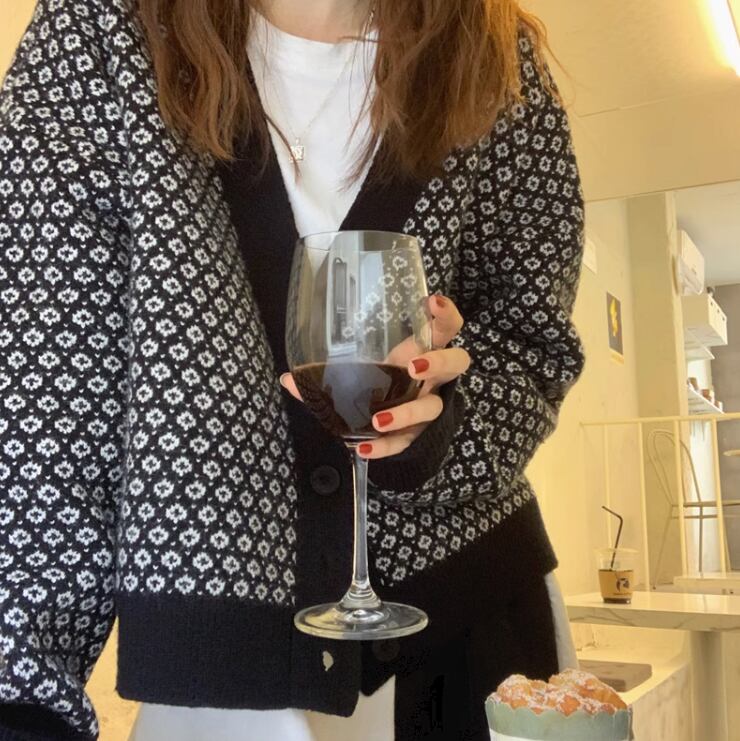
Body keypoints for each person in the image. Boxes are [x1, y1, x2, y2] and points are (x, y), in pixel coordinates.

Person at [0, 0, 585, 739]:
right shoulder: (103, 31)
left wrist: (439, 428)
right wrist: (20, 698)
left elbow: (532, 344)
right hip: (219, 665)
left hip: (466, 631)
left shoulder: (493, 53)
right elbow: (43, 402)